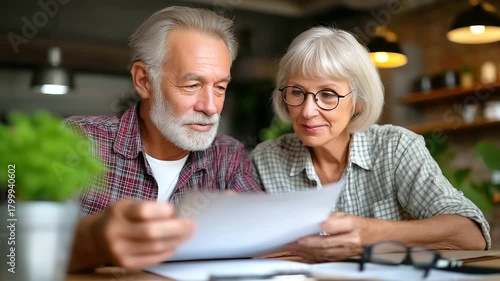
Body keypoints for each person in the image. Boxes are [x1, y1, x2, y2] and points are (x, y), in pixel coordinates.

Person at [251, 26, 490, 262]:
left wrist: (371, 234)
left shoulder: (395, 148)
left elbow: (471, 235)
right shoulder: (266, 159)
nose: (307, 111)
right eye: (296, 92)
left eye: (327, 94)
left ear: (358, 102)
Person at [65, 6, 263, 272]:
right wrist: (92, 239)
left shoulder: (228, 158)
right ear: (144, 80)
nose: (211, 107)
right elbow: (12, 246)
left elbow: (267, 241)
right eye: (192, 85)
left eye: (220, 88)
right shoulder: (81, 141)